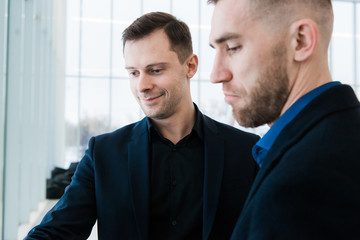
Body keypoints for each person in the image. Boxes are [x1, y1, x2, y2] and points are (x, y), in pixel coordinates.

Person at [25, 11, 260, 240]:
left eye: (155, 70)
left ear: (190, 66)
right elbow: (56, 231)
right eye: (133, 73)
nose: (142, 85)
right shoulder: (104, 153)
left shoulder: (247, 152)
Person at [208, 0, 360, 239]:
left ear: (301, 41)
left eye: (233, 47)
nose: (216, 75)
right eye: (214, 50)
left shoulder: (310, 179)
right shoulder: (338, 137)